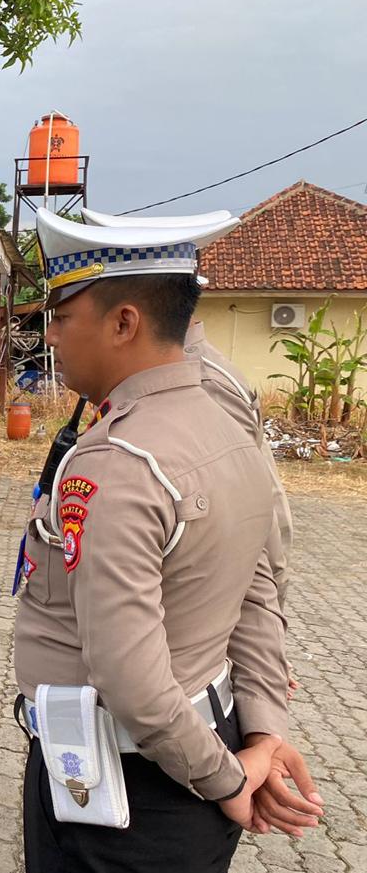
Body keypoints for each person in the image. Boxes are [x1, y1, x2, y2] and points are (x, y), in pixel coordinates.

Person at [14, 208, 320, 873]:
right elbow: (260, 587)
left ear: (123, 323)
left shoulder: (118, 460)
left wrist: (228, 780)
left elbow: (130, 678)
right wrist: (262, 733)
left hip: (127, 797)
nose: (51, 337)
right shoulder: (225, 423)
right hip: (196, 771)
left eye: (61, 317)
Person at [81, 207, 297, 693]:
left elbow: (256, 533)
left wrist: (256, 667)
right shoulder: (143, 380)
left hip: (173, 676)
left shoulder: (205, 384)